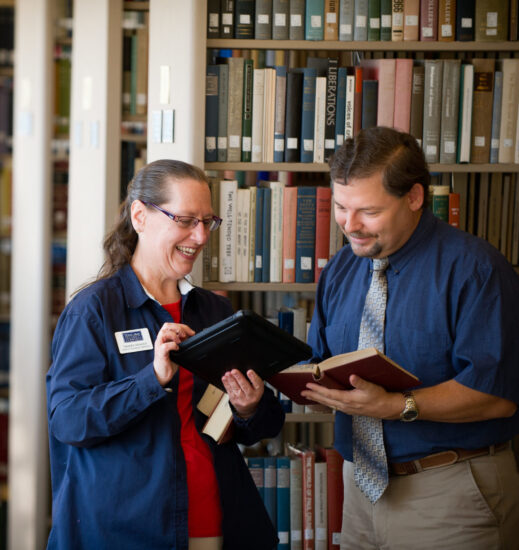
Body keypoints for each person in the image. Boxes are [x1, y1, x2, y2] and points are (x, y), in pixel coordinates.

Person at [46, 159, 284, 550]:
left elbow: (258, 425)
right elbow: (68, 420)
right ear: (140, 216)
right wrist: (150, 379)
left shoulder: (214, 311)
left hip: (213, 519)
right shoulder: (95, 310)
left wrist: (248, 407)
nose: (201, 235)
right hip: (125, 530)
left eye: (208, 221)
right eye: (186, 220)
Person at [301, 126, 519, 550]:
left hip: (450, 489)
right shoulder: (343, 268)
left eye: (368, 211)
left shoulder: (477, 270)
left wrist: (395, 406)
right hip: (359, 488)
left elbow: (498, 395)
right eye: (342, 208)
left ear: (415, 198)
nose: (350, 225)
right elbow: (322, 362)